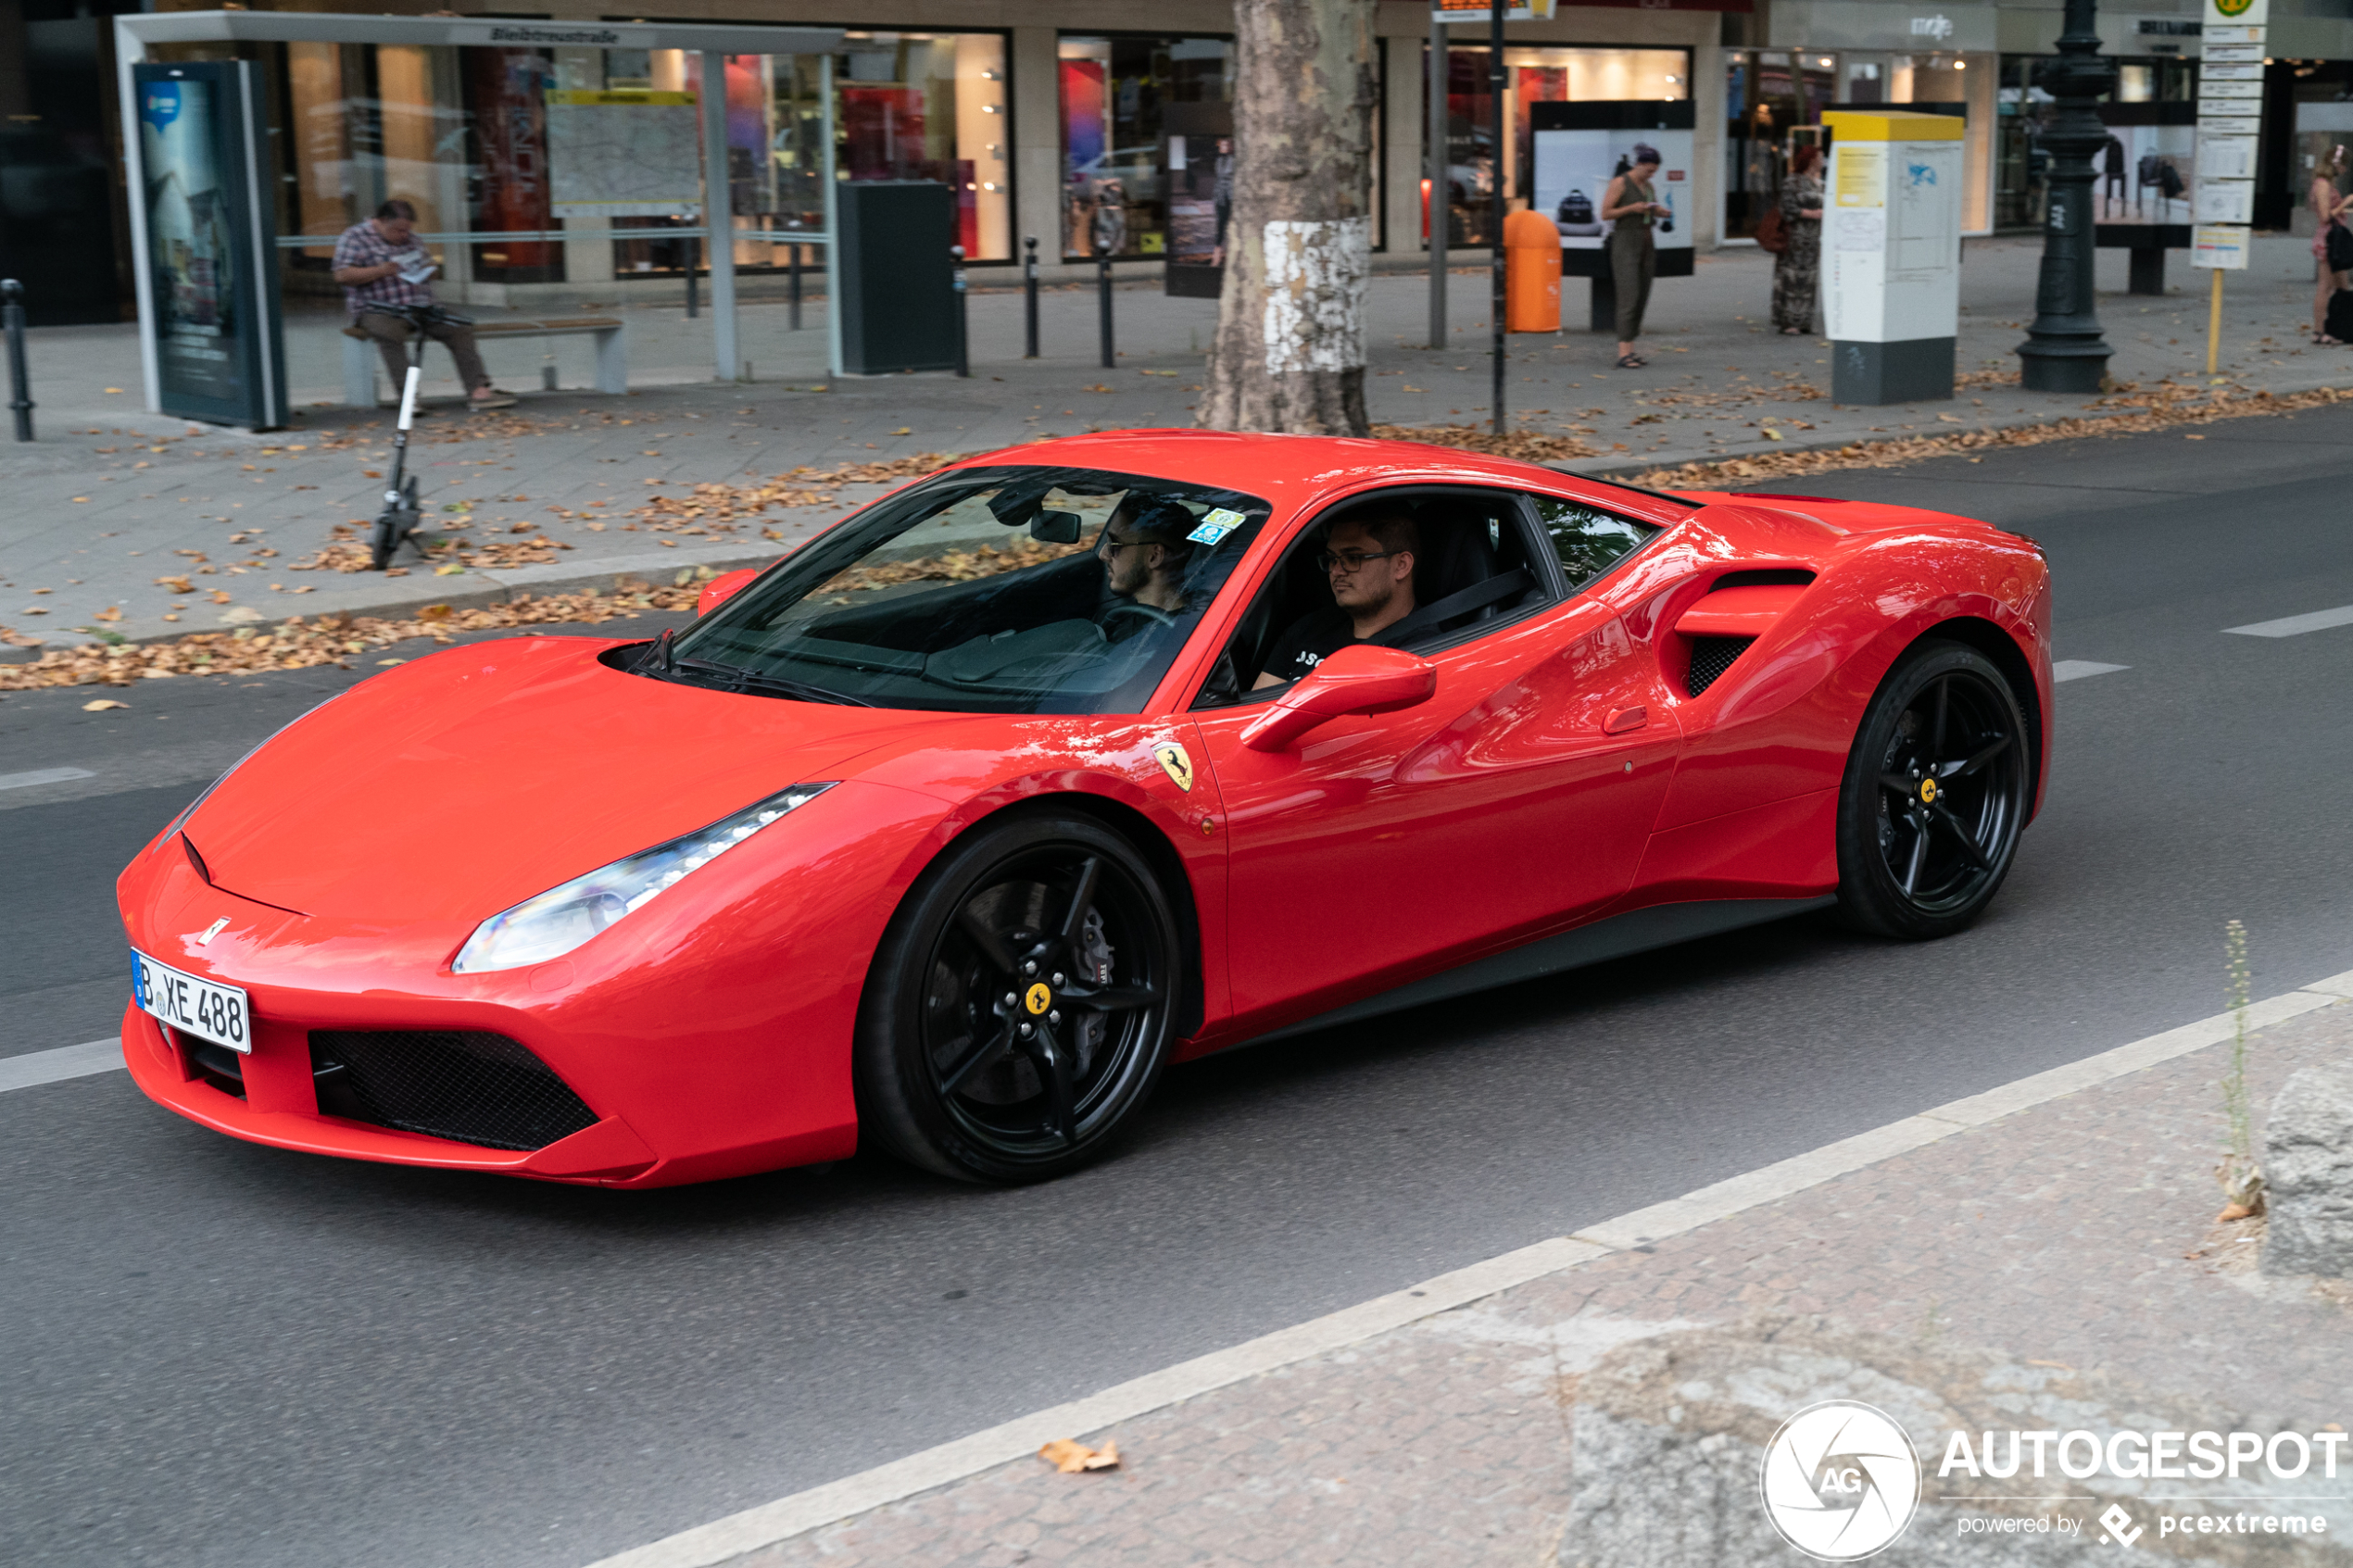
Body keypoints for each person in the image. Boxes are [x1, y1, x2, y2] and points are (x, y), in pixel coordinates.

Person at [332, 200, 515, 410]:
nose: (403, 236)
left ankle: (479, 391)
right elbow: (342, 274)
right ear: (382, 221)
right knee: (390, 334)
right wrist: (380, 270)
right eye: (398, 230)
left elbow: (429, 266)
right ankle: (409, 399)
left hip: (421, 304)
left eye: (407, 231)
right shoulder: (354, 237)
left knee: (460, 327)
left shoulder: (412, 240)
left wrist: (429, 270)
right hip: (379, 307)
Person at [1252, 513, 1419, 688]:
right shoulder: (1308, 630)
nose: (1337, 571)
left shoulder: (1424, 652)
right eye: (1332, 559)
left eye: (1354, 558)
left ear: (1401, 565)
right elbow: (1256, 709)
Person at [1601, 145, 1668, 369]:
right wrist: (1631, 208)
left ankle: (1631, 349)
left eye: (1654, 171)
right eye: (1648, 170)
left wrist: (1659, 211)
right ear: (1638, 164)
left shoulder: (1648, 185)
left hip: (1647, 241)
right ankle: (1623, 353)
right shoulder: (1620, 183)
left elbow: (1651, 207)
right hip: (1626, 242)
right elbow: (1605, 213)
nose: (1651, 175)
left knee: (1641, 295)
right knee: (1628, 296)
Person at [1095, 497, 1197, 634]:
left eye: (1114, 545)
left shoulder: (1181, 638)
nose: (1103, 555)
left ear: (1154, 556)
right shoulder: (1121, 618)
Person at [1772, 144, 1825, 336]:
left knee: (1809, 280)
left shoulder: (1820, 183)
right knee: (1793, 279)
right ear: (1811, 159)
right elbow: (1787, 209)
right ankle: (1789, 322)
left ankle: (1804, 322)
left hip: (1813, 240)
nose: (1823, 161)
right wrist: (1813, 214)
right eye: (1821, 157)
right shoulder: (1792, 182)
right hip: (1795, 239)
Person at [2312, 145, 2351, 345]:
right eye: (2344, 165)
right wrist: (2345, 203)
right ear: (2336, 164)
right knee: (2325, 286)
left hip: (2337, 239)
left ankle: (2340, 328)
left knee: (2343, 286)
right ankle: (2319, 332)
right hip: (2329, 240)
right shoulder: (2322, 185)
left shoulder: (2326, 184)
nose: (2345, 169)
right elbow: (2326, 216)